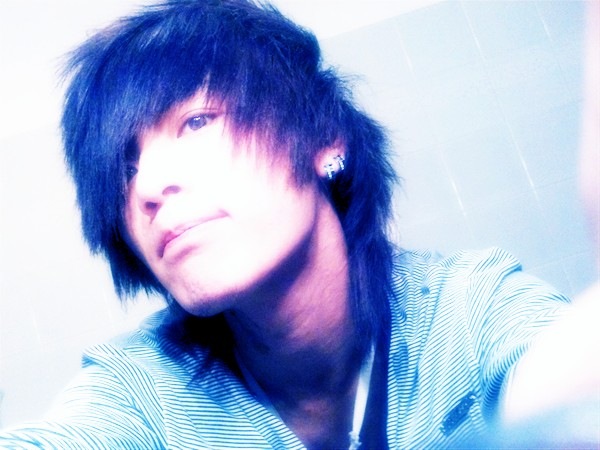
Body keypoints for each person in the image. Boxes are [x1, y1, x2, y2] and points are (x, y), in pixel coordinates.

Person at [0, 0, 593, 448]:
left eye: (198, 122)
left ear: (322, 140)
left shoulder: (466, 309)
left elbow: (563, 383)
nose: (149, 187)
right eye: (125, 169)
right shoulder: (141, 391)